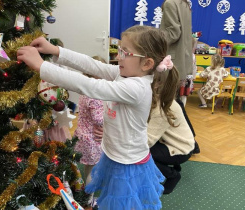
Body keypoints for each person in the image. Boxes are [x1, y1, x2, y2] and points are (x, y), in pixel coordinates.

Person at [17, 25, 179, 210]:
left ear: (147, 64)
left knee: (121, 204)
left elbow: (89, 85)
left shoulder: (137, 88)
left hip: (126, 163)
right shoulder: (124, 73)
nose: (119, 57)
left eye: (125, 52)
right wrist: (55, 50)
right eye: (119, 50)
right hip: (113, 154)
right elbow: (91, 65)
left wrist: (42, 66)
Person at [73, 56, 105, 205]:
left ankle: (87, 190)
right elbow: (99, 119)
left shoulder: (85, 91)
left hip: (82, 136)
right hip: (92, 139)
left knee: (88, 167)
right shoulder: (95, 95)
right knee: (92, 169)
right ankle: (89, 200)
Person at [160, 0, 193, 105]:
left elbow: (173, 33)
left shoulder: (170, 3)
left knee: (166, 101)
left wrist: (153, 38)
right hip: (181, 58)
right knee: (173, 100)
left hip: (171, 59)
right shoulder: (184, 4)